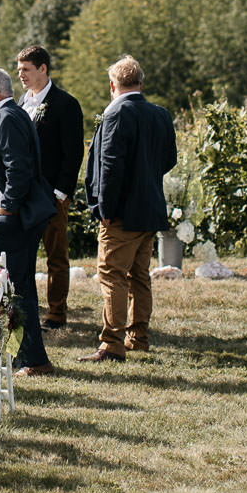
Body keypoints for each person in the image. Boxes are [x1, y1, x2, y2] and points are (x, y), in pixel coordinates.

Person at [80, 54, 176, 363]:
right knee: (139, 275)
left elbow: (110, 164)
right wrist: (146, 176)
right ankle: (139, 337)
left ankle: (111, 344)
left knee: (111, 275)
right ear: (140, 83)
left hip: (121, 212)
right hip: (150, 205)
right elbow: (169, 159)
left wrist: (105, 206)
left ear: (112, 85)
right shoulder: (160, 114)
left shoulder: (117, 113)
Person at [0, 66, 57, 377]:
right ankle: (23, 356)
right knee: (14, 288)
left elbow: (17, 168)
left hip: (11, 219)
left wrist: (6, 207)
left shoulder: (6, 117)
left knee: (15, 290)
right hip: (5, 216)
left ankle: (32, 360)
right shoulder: (5, 115)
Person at [16, 45, 84, 332]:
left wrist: (61, 192)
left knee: (56, 255)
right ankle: (27, 309)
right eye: (19, 70)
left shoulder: (66, 104)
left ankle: (57, 313)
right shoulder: (21, 102)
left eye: (26, 70)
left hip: (52, 193)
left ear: (43, 69)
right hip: (24, 193)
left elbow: (74, 152)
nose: (21, 75)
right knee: (24, 254)